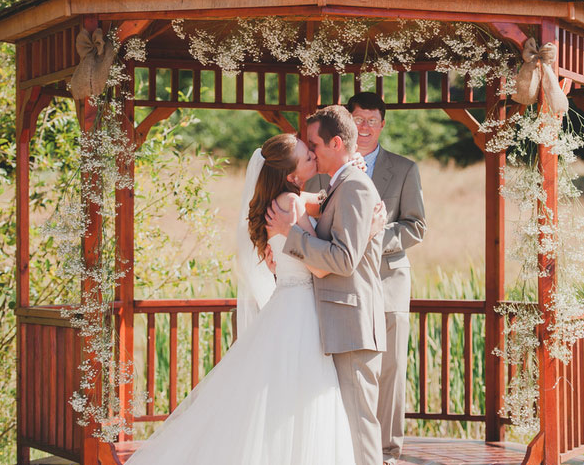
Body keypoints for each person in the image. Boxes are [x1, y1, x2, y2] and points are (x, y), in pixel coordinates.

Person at [124, 133, 384, 465]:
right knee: (301, 395)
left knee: (275, 395)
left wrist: (351, 168)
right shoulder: (290, 204)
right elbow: (320, 267)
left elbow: (330, 198)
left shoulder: (283, 199)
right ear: (291, 175)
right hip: (301, 309)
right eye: (307, 158)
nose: (313, 160)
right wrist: (370, 229)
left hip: (285, 304)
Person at [304, 92, 427, 465]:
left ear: (383, 124)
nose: (367, 126)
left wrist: (371, 238)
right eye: (359, 119)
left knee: (388, 372)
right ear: (348, 124)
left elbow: (416, 225)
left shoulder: (404, 168)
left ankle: (388, 452)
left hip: (388, 281)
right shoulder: (323, 169)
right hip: (341, 286)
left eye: (373, 120)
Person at [267, 105, 387, 465]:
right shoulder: (339, 187)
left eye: (315, 144)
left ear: (336, 143)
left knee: (358, 425)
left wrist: (290, 236)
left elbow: (343, 260)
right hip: (337, 324)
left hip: (352, 326)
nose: (312, 151)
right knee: (342, 426)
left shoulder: (354, 188)